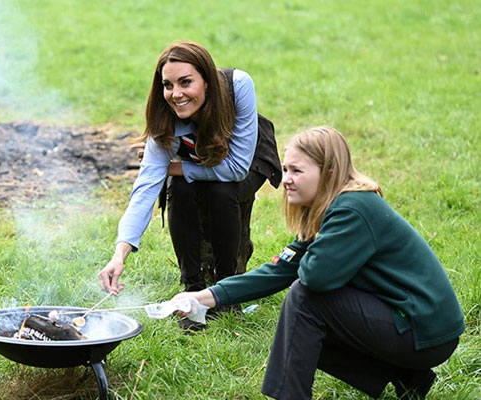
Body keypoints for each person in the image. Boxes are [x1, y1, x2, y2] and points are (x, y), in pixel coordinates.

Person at [171, 126, 465, 399]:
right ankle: (406, 377)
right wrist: (204, 298)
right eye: (286, 169)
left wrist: (307, 245)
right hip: (416, 327)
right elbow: (281, 268)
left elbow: (313, 277)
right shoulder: (334, 207)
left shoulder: (352, 209)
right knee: (301, 328)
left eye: (297, 171)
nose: (285, 179)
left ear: (329, 173)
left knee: (304, 301)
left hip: (423, 330)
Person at [98, 41, 279, 324]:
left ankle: (226, 291)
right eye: (168, 85)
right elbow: (145, 189)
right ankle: (193, 291)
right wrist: (119, 254)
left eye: (185, 82)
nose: (176, 94)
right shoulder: (164, 121)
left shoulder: (237, 85)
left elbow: (235, 168)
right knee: (179, 188)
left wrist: (176, 167)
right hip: (196, 156)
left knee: (220, 191)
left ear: (206, 81)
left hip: (247, 160)